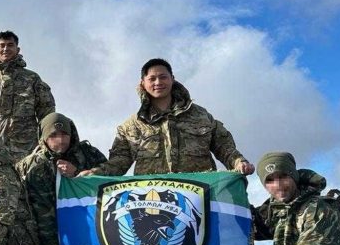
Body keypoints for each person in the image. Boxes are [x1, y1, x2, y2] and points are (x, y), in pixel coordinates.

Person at [84, 58, 254, 176]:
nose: (158, 82)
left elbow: (224, 148)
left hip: (199, 198)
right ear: (143, 83)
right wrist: (95, 173)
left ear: (172, 79)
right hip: (153, 200)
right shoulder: (132, 126)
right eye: (152, 79)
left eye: (163, 77)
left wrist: (239, 162)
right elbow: (119, 162)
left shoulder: (201, 116)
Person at [16, 112, 107, 245]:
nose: (60, 140)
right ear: (44, 138)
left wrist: (81, 174)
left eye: (65, 134)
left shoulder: (88, 153)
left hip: (89, 224)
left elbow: (111, 179)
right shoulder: (36, 167)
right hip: (47, 230)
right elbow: (43, 213)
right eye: (53, 135)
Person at [0, 31, 55, 158]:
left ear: (17, 49)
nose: (6, 49)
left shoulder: (32, 79)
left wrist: (45, 146)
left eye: (10, 45)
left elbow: (47, 115)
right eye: (2, 45)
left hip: (27, 152)